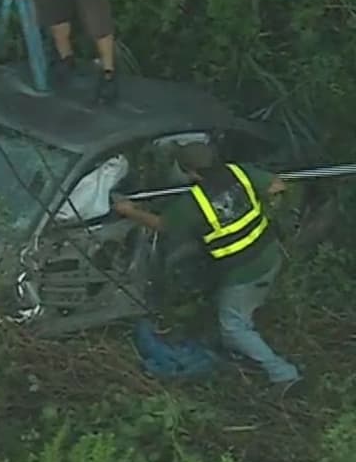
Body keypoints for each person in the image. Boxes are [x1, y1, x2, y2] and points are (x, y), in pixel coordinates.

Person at [111, 143, 303, 397]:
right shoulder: (240, 172)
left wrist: (129, 211)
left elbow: (162, 225)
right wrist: (269, 212)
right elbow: (277, 185)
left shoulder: (194, 204)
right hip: (269, 254)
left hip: (244, 274)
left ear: (189, 172)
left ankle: (283, 374)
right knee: (234, 309)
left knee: (234, 326)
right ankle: (236, 346)